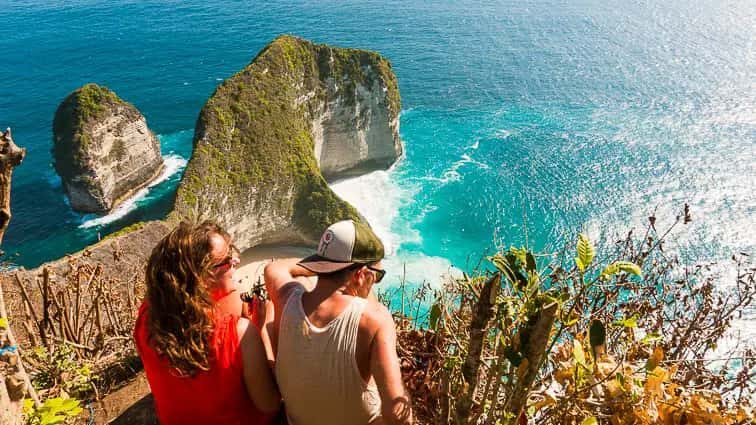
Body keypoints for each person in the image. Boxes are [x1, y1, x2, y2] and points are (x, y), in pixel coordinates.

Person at [264, 220, 412, 425]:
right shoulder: (374, 320)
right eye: (376, 277)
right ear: (361, 275)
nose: (374, 285)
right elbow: (397, 414)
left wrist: (322, 266)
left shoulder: (287, 297)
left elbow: (274, 267)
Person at [134, 221, 280, 425]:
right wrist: (262, 329)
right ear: (200, 277)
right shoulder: (240, 334)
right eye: (227, 260)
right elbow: (270, 404)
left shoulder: (147, 317)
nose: (236, 260)